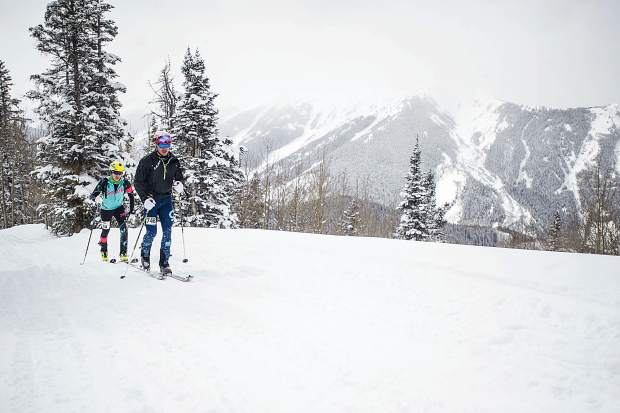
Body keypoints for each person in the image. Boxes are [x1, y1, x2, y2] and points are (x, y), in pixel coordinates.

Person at [134, 131, 185, 275]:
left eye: (167, 144)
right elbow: (138, 182)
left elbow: (179, 178)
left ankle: (164, 262)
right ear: (156, 144)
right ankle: (145, 256)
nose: (164, 147)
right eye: (162, 144)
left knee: (167, 232)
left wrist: (179, 184)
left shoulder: (174, 161)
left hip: (166, 200)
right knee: (151, 232)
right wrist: (145, 199)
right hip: (152, 201)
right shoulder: (147, 161)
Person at [90, 161, 135, 262]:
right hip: (106, 209)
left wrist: (132, 211)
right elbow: (93, 195)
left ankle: (123, 253)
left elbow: (131, 196)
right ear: (111, 172)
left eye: (120, 173)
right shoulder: (104, 182)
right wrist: (96, 198)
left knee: (124, 228)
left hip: (119, 208)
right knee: (106, 230)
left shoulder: (125, 183)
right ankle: (104, 250)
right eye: (115, 173)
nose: (117, 175)